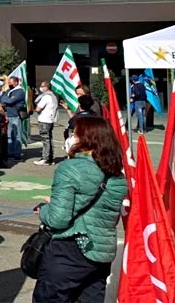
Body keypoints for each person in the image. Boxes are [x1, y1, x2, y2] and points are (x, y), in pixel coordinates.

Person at [32, 116, 128, 303]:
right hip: (101, 254)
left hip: (70, 250)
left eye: (75, 135)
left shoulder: (69, 168)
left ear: (87, 139)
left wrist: (44, 209)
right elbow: (105, 215)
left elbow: (58, 218)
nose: (71, 138)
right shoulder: (118, 176)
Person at [1, 75, 27, 163]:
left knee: (17, 135)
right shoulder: (10, 90)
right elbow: (3, 99)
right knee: (9, 135)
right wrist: (6, 99)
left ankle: (17, 154)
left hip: (16, 115)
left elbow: (10, 101)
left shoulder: (19, 91)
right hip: (9, 115)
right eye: (8, 83)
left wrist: (6, 99)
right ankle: (10, 153)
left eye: (11, 83)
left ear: (15, 83)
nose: (9, 84)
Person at [34, 80, 59, 166]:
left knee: (45, 140)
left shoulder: (46, 97)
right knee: (49, 139)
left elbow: (38, 108)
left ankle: (45, 158)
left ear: (46, 87)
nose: (41, 88)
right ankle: (50, 158)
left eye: (42, 86)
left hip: (44, 120)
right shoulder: (53, 96)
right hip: (50, 120)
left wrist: (35, 108)